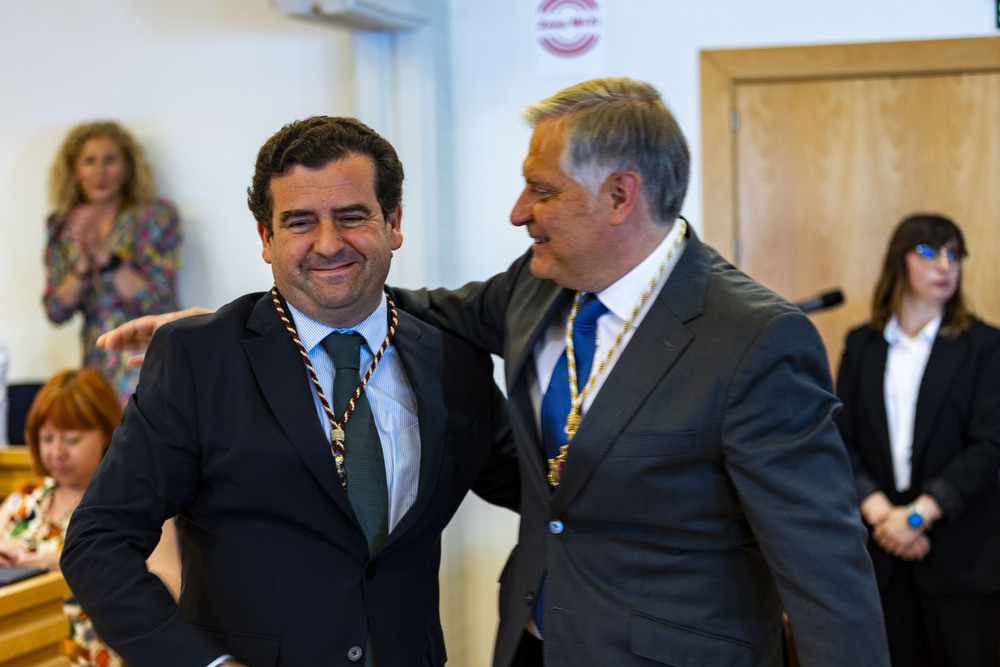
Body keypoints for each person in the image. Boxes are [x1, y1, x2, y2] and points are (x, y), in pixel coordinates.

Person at [99, 79, 890, 666]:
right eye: (297, 223)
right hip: (530, 644)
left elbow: (828, 576)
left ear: (620, 196)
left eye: (541, 191)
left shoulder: (753, 336)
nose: (517, 211)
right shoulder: (532, 288)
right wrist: (249, 321)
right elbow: (392, 301)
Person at [60, 116, 519, 667]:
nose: (328, 244)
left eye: (352, 217)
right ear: (265, 238)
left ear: (394, 222)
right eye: (300, 222)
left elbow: (544, 491)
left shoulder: (452, 360)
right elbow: (98, 542)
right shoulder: (200, 363)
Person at [835, 214, 1000, 666]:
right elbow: (840, 440)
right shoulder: (862, 346)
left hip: (961, 558)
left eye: (954, 254)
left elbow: (989, 447)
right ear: (899, 262)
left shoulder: (985, 346)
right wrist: (883, 514)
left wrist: (916, 518)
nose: (945, 266)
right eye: (929, 253)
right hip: (881, 557)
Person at [0, 368, 181, 667]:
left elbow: (168, 590)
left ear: (108, 434)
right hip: (23, 647)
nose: (57, 453)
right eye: (46, 438)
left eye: (71, 440)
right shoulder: (24, 499)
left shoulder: (134, 503)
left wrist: (62, 567)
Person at [43, 120, 182, 403]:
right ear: (74, 170)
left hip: (146, 358)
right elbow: (56, 311)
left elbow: (159, 304)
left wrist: (106, 257)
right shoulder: (62, 225)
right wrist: (82, 265)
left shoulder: (154, 216)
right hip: (94, 364)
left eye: (110, 160)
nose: (100, 171)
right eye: (89, 161)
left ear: (127, 168)